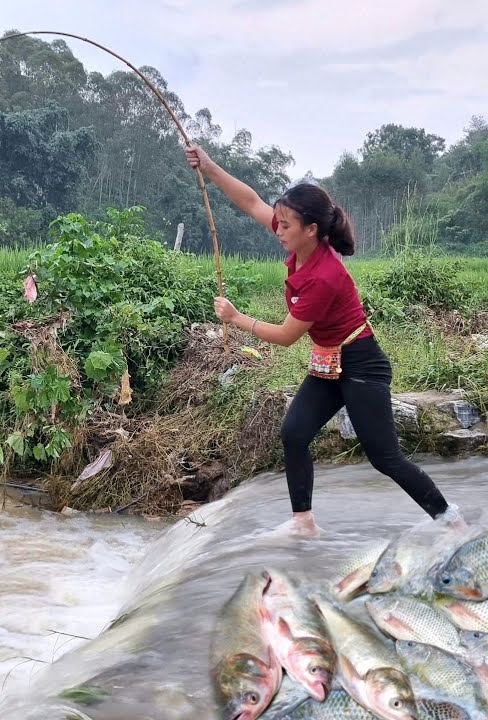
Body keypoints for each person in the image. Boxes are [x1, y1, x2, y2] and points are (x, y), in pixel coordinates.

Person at [184, 144, 463, 537]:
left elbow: (284, 336)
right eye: (277, 222)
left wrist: (236, 318)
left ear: (311, 229)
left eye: (285, 225)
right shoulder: (299, 240)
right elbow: (250, 201)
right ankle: (304, 522)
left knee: (385, 458)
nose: (277, 229)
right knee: (294, 433)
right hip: (329, 360)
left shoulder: (325, 275)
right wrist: (209, 167)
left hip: (362, 363)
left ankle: (451, 520)